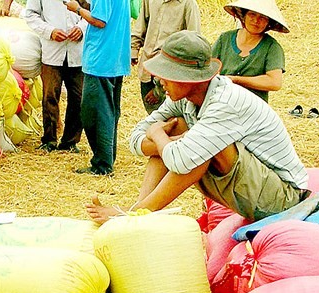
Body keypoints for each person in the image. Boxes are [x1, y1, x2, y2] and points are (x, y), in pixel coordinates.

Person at [86, 31, 309, 224]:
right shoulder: (183, 97)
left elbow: (179, 158)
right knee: (181, 132)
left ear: (190, 78)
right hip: (252, 190)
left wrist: (158, 135)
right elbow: (135, 137)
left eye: (167, 74)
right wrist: (167, 141)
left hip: (283, 199)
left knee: (202, 145)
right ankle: (138, 210)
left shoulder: (225, 103)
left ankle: (139, 213)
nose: (160, 80)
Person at [64, 0, 131, 175]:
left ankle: (102, 165)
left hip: (101, 60)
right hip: (115, 58)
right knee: (109, 112)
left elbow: (100, 21)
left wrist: (77, 9)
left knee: (95, 114)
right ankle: (107, 158)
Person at [23, 0, 87, 153]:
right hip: (52, 51)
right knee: (50, 96)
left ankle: (70, 142)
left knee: (78, 98)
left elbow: (92, 12)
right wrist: (49, 31)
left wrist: (81, 28)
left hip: (77, 52)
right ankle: (49, 140)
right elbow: (31, 14)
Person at [131, 0, 201, 114]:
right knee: (153, 114)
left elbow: (193, 42)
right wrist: (134, 50)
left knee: (168, 117)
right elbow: (140, 25)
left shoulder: (188, 4)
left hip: (170, 74)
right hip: (147, 68)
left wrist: (158, 91)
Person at [211, 0, 288, 103]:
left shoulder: (272, 47)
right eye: (252, 14)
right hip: (220, 101)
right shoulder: (224, 39)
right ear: (244, 16)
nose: (256, 21)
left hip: (253, 107)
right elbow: (209, 67)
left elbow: (274, 82)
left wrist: (236, 80)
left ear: (268, 23)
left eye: (262, 18)